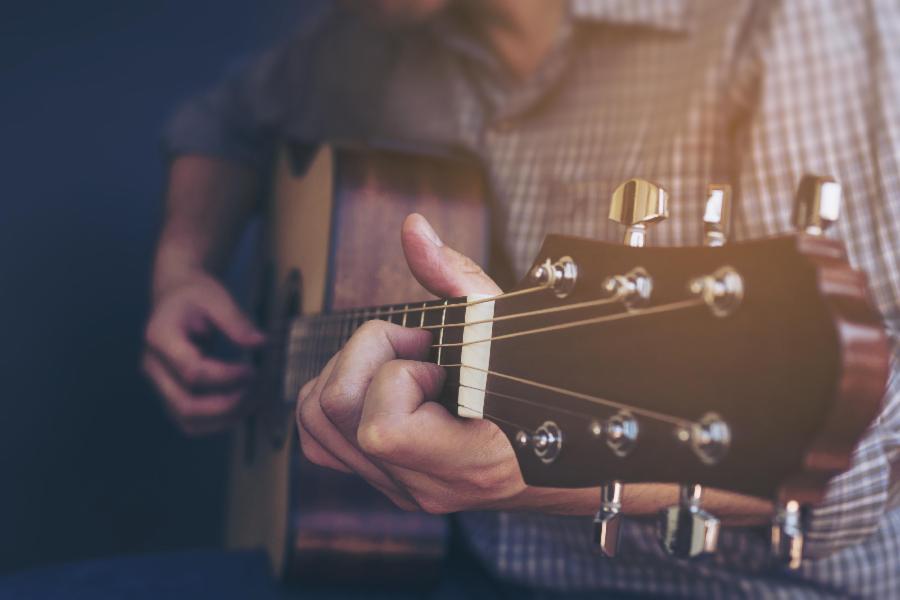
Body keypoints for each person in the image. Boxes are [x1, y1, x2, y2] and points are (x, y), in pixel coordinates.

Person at [144, 0, 900, 597]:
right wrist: (183, 269)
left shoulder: (788, 24)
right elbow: (226, 124)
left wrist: (535, 476)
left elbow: (880, 423)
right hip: (441, 566)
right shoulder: (369, 41)